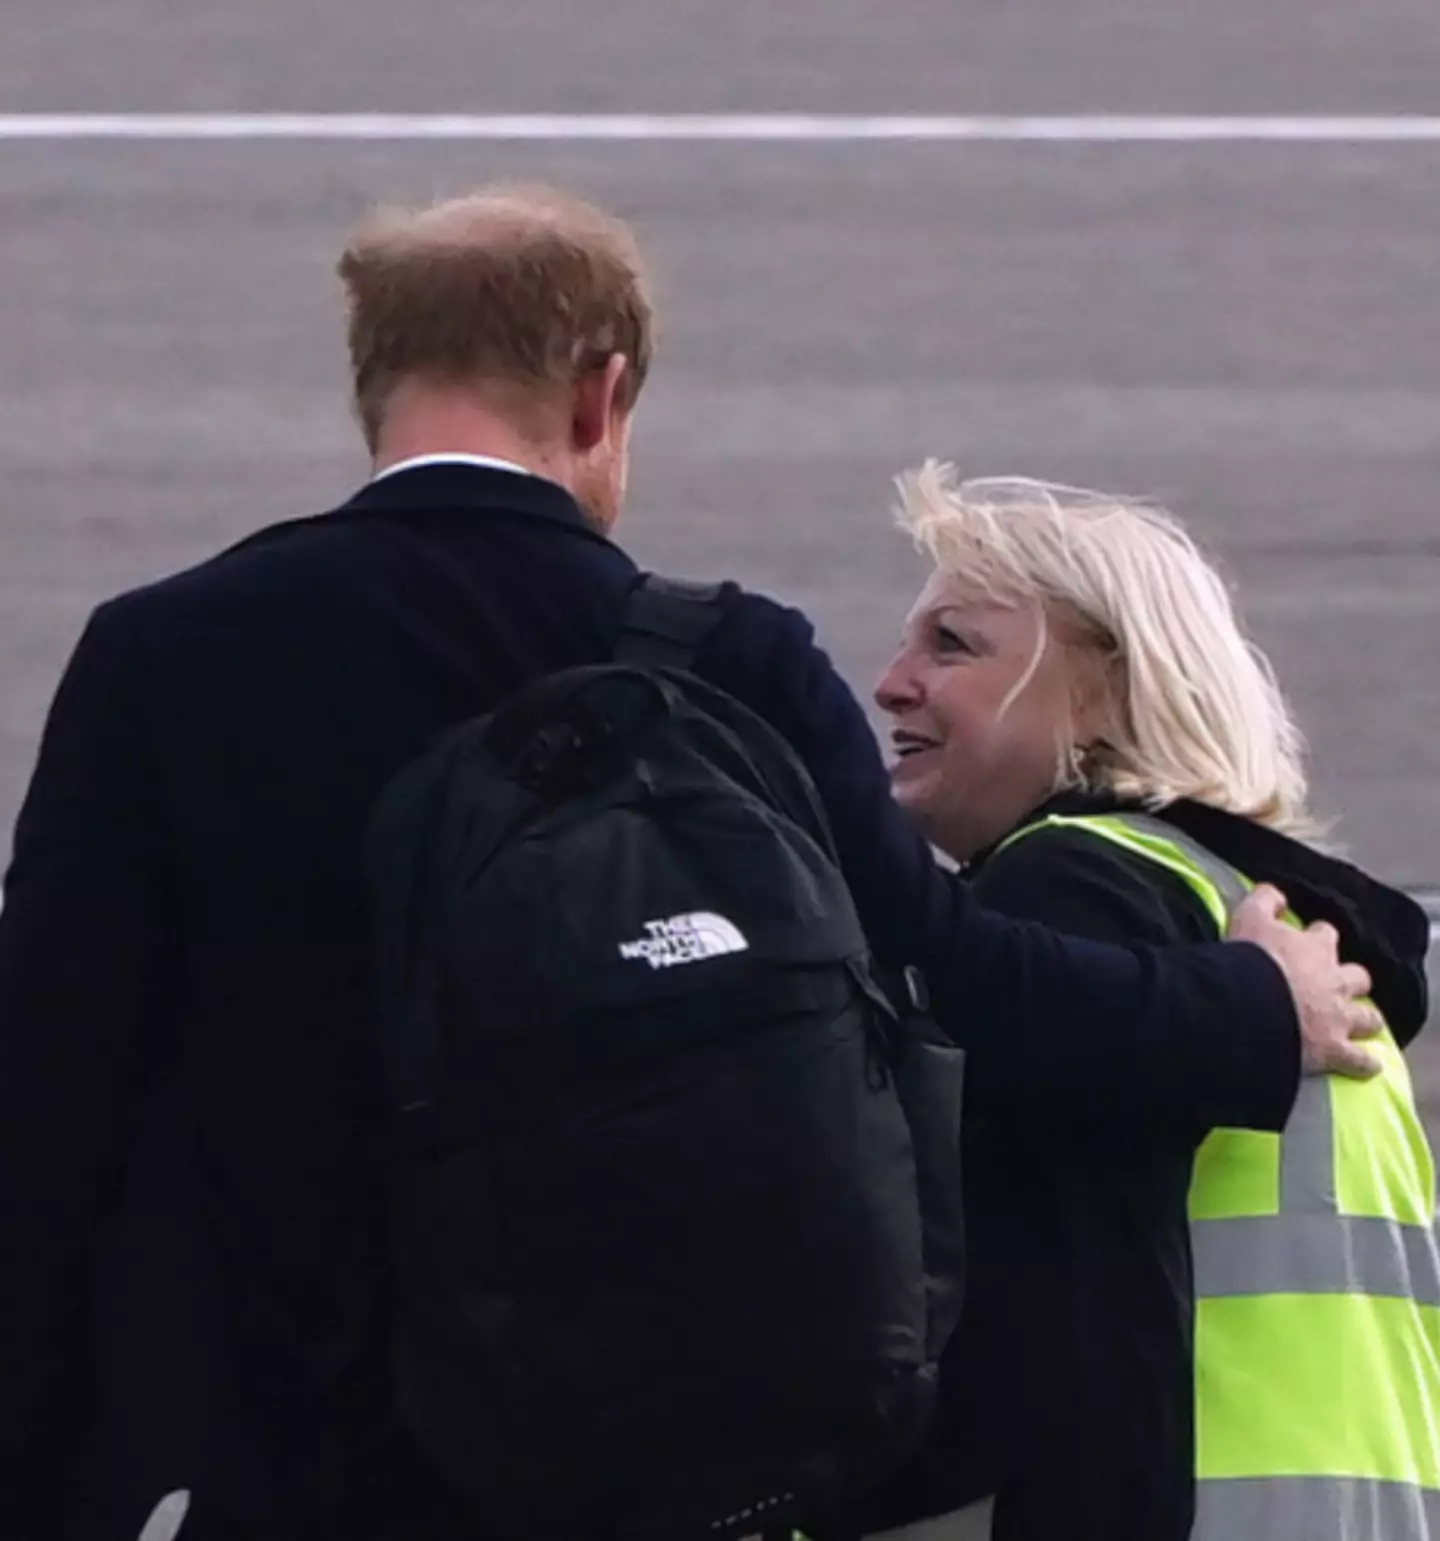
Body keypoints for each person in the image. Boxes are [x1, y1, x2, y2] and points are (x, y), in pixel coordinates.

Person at [0, 187, 1378, 1541]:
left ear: (376, 391)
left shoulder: (167, 654)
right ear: (603, 400)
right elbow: (947, 984)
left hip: (282, 1451)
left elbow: (51, 1085)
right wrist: (1253, 1006)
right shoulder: (721, 656)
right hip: (615, 1452)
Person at [862, 468, 1438, 1541]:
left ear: (1104, 686)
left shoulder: (1070, 889)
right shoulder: (1285, 934)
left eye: (953, 643)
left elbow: (1042, 1306)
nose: (891, 682)